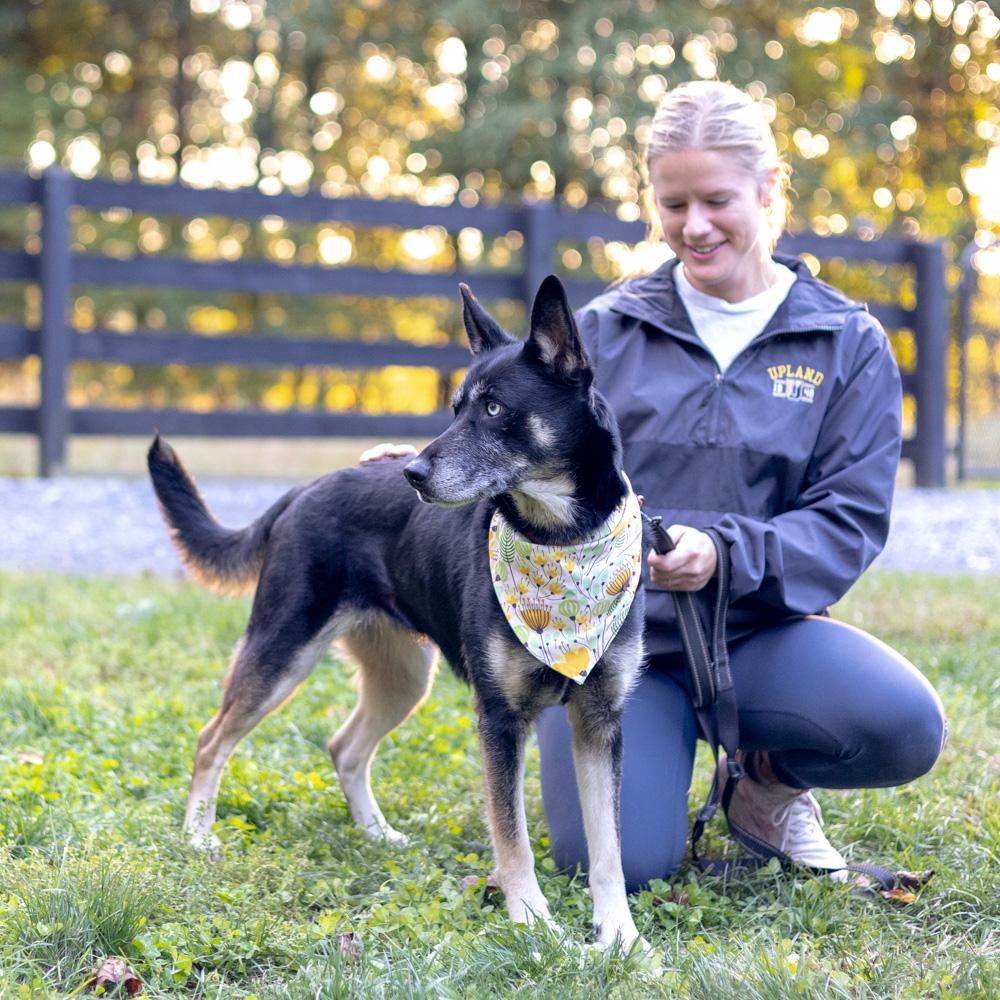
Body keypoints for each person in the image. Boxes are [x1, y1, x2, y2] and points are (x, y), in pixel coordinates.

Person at [363, 80, 947, 890]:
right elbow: (520, 454)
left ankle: (763, 788)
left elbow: (847, 522)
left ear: (770, 189)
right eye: (673, 203)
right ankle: (655, 770)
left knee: (903, 725)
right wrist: (455, 458)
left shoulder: (847, 343)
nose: (695, 226)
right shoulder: (602, 330)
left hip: (760, 633)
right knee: (623, 863)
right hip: (600, 639)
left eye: (717, 199)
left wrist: (724, 552)